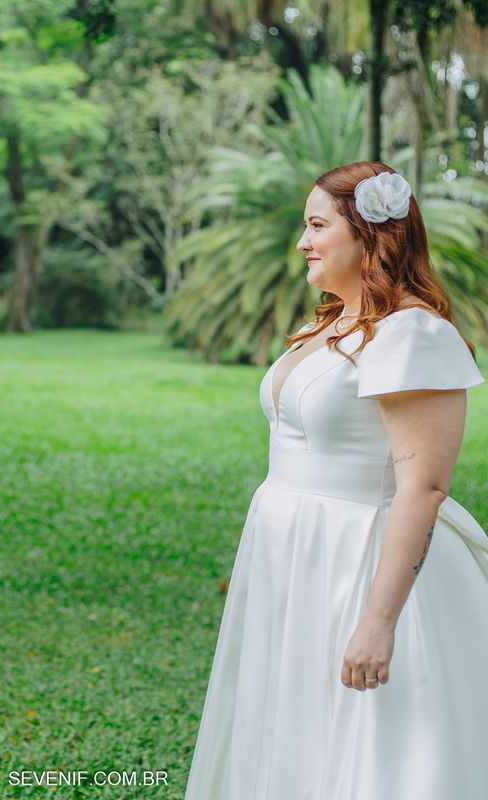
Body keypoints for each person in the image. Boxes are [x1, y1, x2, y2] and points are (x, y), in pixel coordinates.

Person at [184, 162, 488, 799]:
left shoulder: (414, 335)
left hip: (360, 562)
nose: (303, 242)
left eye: (318, 225)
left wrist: (379, 620)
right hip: (289, 557)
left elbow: (423, 488)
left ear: (371, 236)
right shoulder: (331, 321)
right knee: (291, 730)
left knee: (372, 745)